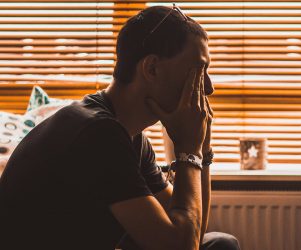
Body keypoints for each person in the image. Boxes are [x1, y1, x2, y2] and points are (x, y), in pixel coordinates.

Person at [0, 4, 241, 250]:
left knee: (220, 243)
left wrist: (202, 150)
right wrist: (189, 149)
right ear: (152, 68)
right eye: (198, 71)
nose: (208, 88)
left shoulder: (129, 137)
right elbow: (181, 247)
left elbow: (193, 234)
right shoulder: (97, 133)